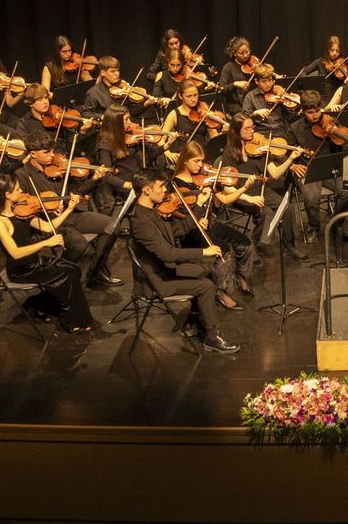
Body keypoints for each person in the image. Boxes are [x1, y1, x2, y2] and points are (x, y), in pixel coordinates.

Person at [128, 169, 241, 354]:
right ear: (146, 190)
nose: (165, 190)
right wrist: (204, 251)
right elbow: (169, 254)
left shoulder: (151, 212)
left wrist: (198, 211)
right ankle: (212, 338)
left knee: (208, 271)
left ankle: (193, 321)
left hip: (166, 269)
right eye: (161, 186)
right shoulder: (141, 221)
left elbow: (176, 231)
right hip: (157, 280)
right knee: (205, 286)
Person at [0, 174, 94, 333]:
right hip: (21, 269)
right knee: (67, 275)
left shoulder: (20, 211)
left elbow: (48, 227)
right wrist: (45, 243)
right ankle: (70, 320)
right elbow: (15, 253)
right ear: (7, 195)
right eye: (17, 189)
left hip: (35, 261)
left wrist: (70, 209)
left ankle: (37, 304)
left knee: (73, 269)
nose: (21, 191)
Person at [15, 131, 123, 287]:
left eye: (52, 151)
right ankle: (60, 276)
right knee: (78, 244)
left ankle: (95, 273)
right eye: (47, 152)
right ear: (33, 154)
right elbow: (23, 205)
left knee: (113, 226)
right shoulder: (22, 175)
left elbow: (76, 192)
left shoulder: (59, 168)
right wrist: (45, 207)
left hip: (71, 213)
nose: (52, 155)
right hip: (49, 222)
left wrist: (94, 179)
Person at [171, 141, 256, 310]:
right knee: (224, 251)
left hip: (211, 222)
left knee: (245, 244)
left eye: (202, 161)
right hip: (194, 229)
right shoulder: (176, 184)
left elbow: (224, 199)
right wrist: (199, 207)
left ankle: (241, 278)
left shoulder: (204, 179)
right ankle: (221, 292)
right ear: (185, 161)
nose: (201, 165)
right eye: (196, 161)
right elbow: (178, 214)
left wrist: (244, 188)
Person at [218, 113, 309, 262]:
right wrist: (250, 198)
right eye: (247, 129)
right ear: (236, 131)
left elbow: (275, 173)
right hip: (241, 193)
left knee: (287, 208)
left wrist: (291, 159)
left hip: (260, 189)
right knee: (266, 214)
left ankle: (289, 245)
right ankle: (253, 245)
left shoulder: (259, 148)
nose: (252, 132)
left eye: (252, 128)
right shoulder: (229, 154)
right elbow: (228, 189)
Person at [287, 89, 348, 244]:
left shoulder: (331, 121)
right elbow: (287, 152)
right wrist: (292, 165)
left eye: (318, 111)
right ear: (303, 110)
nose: (315, 115)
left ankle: (337, 222)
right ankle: (314, 226)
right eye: (310, 112)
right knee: (311, 196)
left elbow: (343, 143)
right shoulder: (295, 128)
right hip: (310, 170)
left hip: (333, 168)